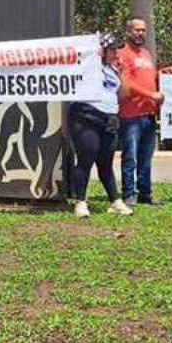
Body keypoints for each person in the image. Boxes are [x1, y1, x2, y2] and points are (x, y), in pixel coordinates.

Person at [68, 34, 133, 218]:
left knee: (106, 162)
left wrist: (120, 72)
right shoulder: (87, 66)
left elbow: (124, 94)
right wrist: (91, 57)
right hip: (87, 116)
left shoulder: (111, 70)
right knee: (86, 159)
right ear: (102, 51)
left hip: (109, 118)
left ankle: (115, 201)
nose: (116, 53)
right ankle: (80, 202)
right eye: (112, 50)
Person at [116, 18, 172, 207]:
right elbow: (127, 84)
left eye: (143, 30)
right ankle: (128, 193)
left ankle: (145, 193)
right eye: (137, 30)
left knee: (146, 157)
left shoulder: (146, 54)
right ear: (128, 32)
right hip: (131, 114)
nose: (141, 33)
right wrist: (151, 94)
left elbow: (148, 77)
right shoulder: (122, 54)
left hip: (149, 113)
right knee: (130, 156)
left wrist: (163, 73)